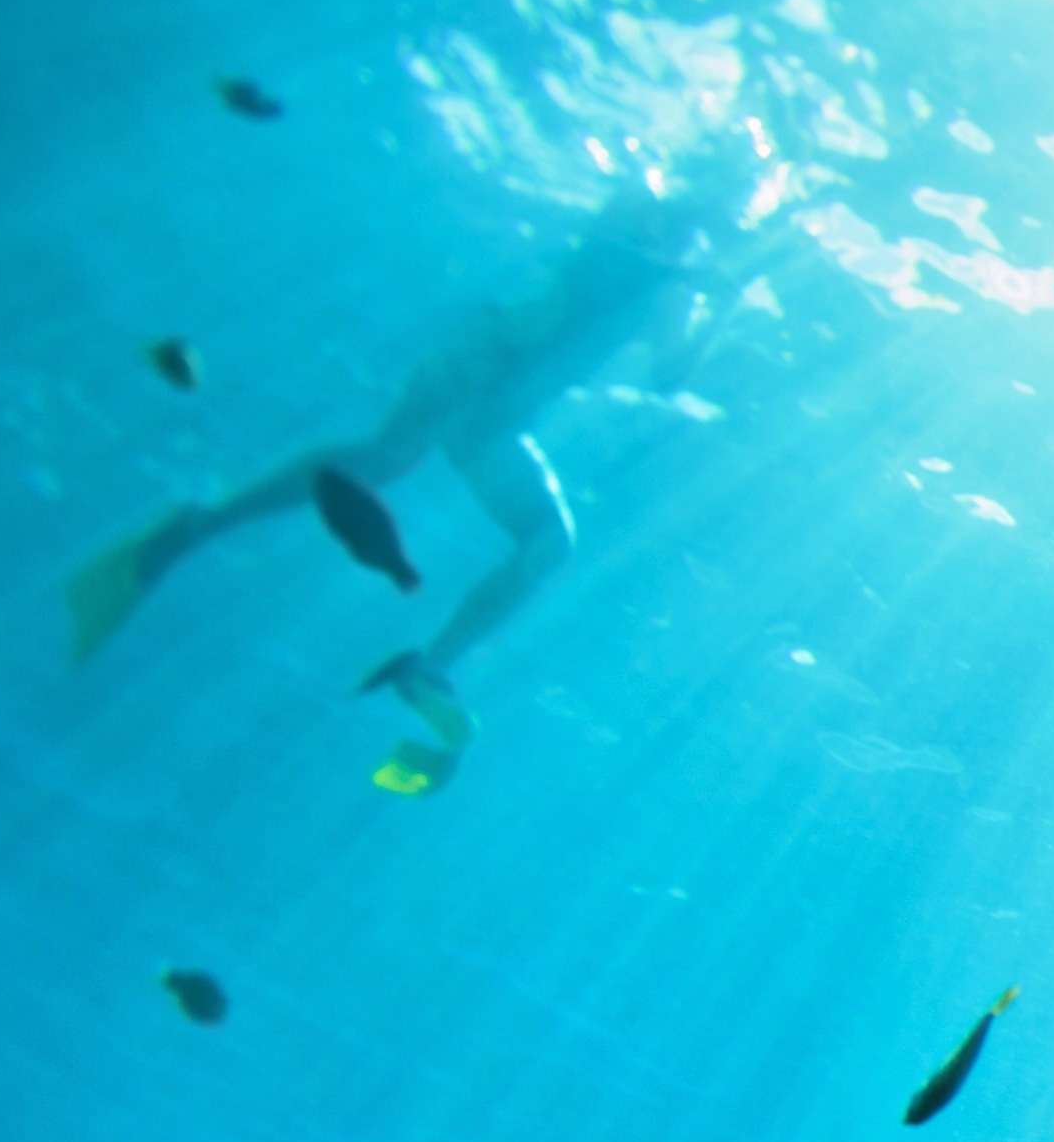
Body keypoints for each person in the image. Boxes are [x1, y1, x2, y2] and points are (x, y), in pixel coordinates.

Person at [67, 175, 712, 794]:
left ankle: (425, 666)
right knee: (400, 466)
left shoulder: (664, 272)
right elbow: (661, 360)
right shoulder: (657, 260)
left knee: (503, 519)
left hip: (492, 401)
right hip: (484, 372)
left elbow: (661, 369)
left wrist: (697, 291)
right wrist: (709, 295)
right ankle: (208, 531)